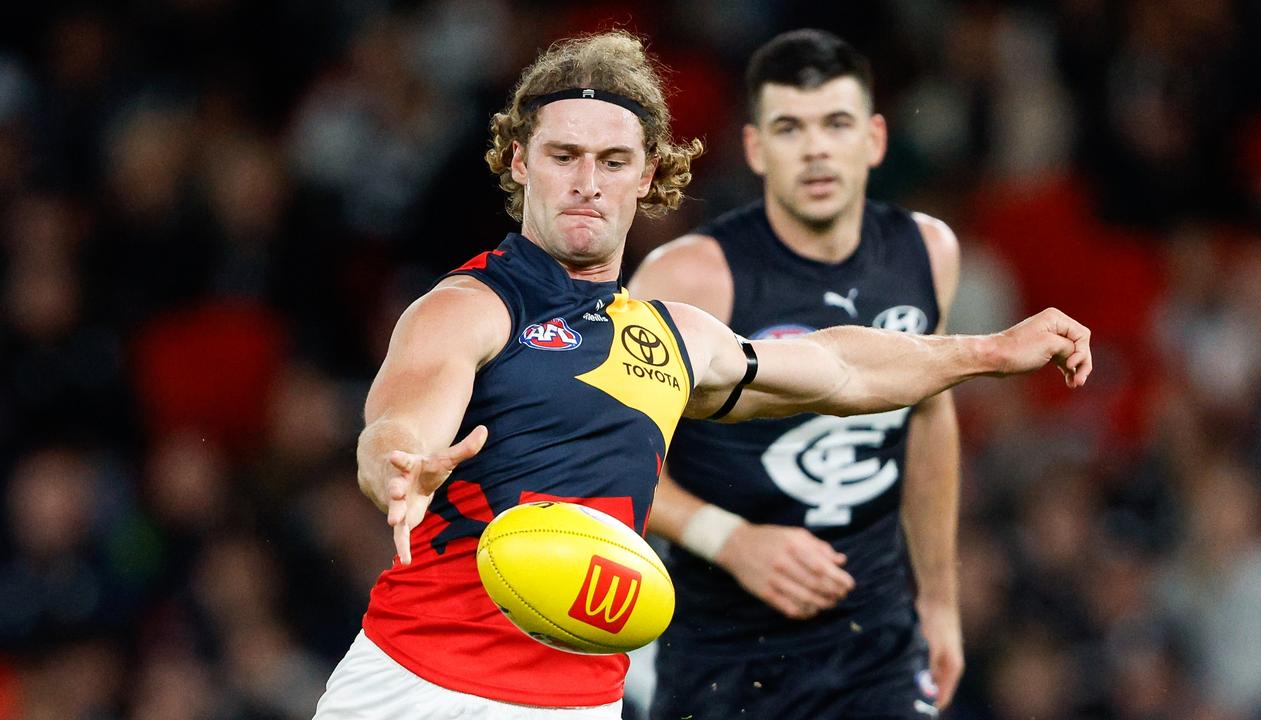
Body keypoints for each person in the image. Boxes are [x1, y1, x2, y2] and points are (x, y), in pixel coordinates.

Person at [312, 30, 1091, 720]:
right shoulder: (468, 307)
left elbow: (839, 369)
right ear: (520, 161)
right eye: (564, 156)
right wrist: (399, 465)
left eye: (613, 160)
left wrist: (986, 352)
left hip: (580, 705)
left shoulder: (673, 336)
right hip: (417, 688)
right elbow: (399, 424)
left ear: (648, 175)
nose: (588, 181)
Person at [627, 29, 968, 719]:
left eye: (835, 124)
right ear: (755, 148)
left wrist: (939, 600)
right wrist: (732, 540)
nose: (815, 148)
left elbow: (929, 417)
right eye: (789, 127)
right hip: (723, 652)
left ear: (873, 139)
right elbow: (608, 458)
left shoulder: (928, 251)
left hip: (875, 643)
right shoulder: (690, 277)